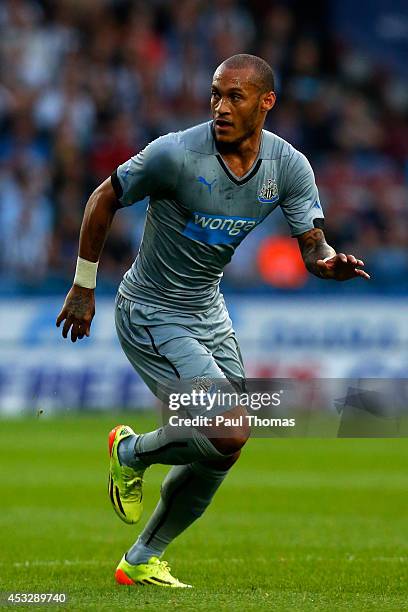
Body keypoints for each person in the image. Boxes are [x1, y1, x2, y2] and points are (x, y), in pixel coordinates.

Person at [56, 54, 369, 588]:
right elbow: (102, 198)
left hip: (209, 311)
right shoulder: (175, 154)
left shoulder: (288, 166)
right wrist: (83, 285)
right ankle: (129, 452)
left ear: (266, 102)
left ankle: (140, 560)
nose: (221, 108)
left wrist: (327, 263)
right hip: (151, 310)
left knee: (225, 449)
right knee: (229, 426)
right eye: (215, 95)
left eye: (235, 97)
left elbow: (313, 245)